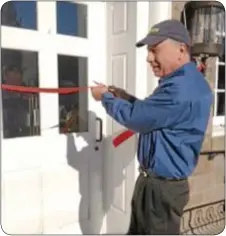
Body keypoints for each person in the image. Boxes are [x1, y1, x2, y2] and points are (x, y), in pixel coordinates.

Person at [91, 19, 213, 235]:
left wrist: (105, 98)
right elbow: (153, 113)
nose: (149, 58)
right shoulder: (185, 82)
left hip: (161, 191)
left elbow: (137, 118)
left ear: (181, 50)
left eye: (155, 50)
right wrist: (124, 96)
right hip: (156, 186)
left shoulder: (179, 90)